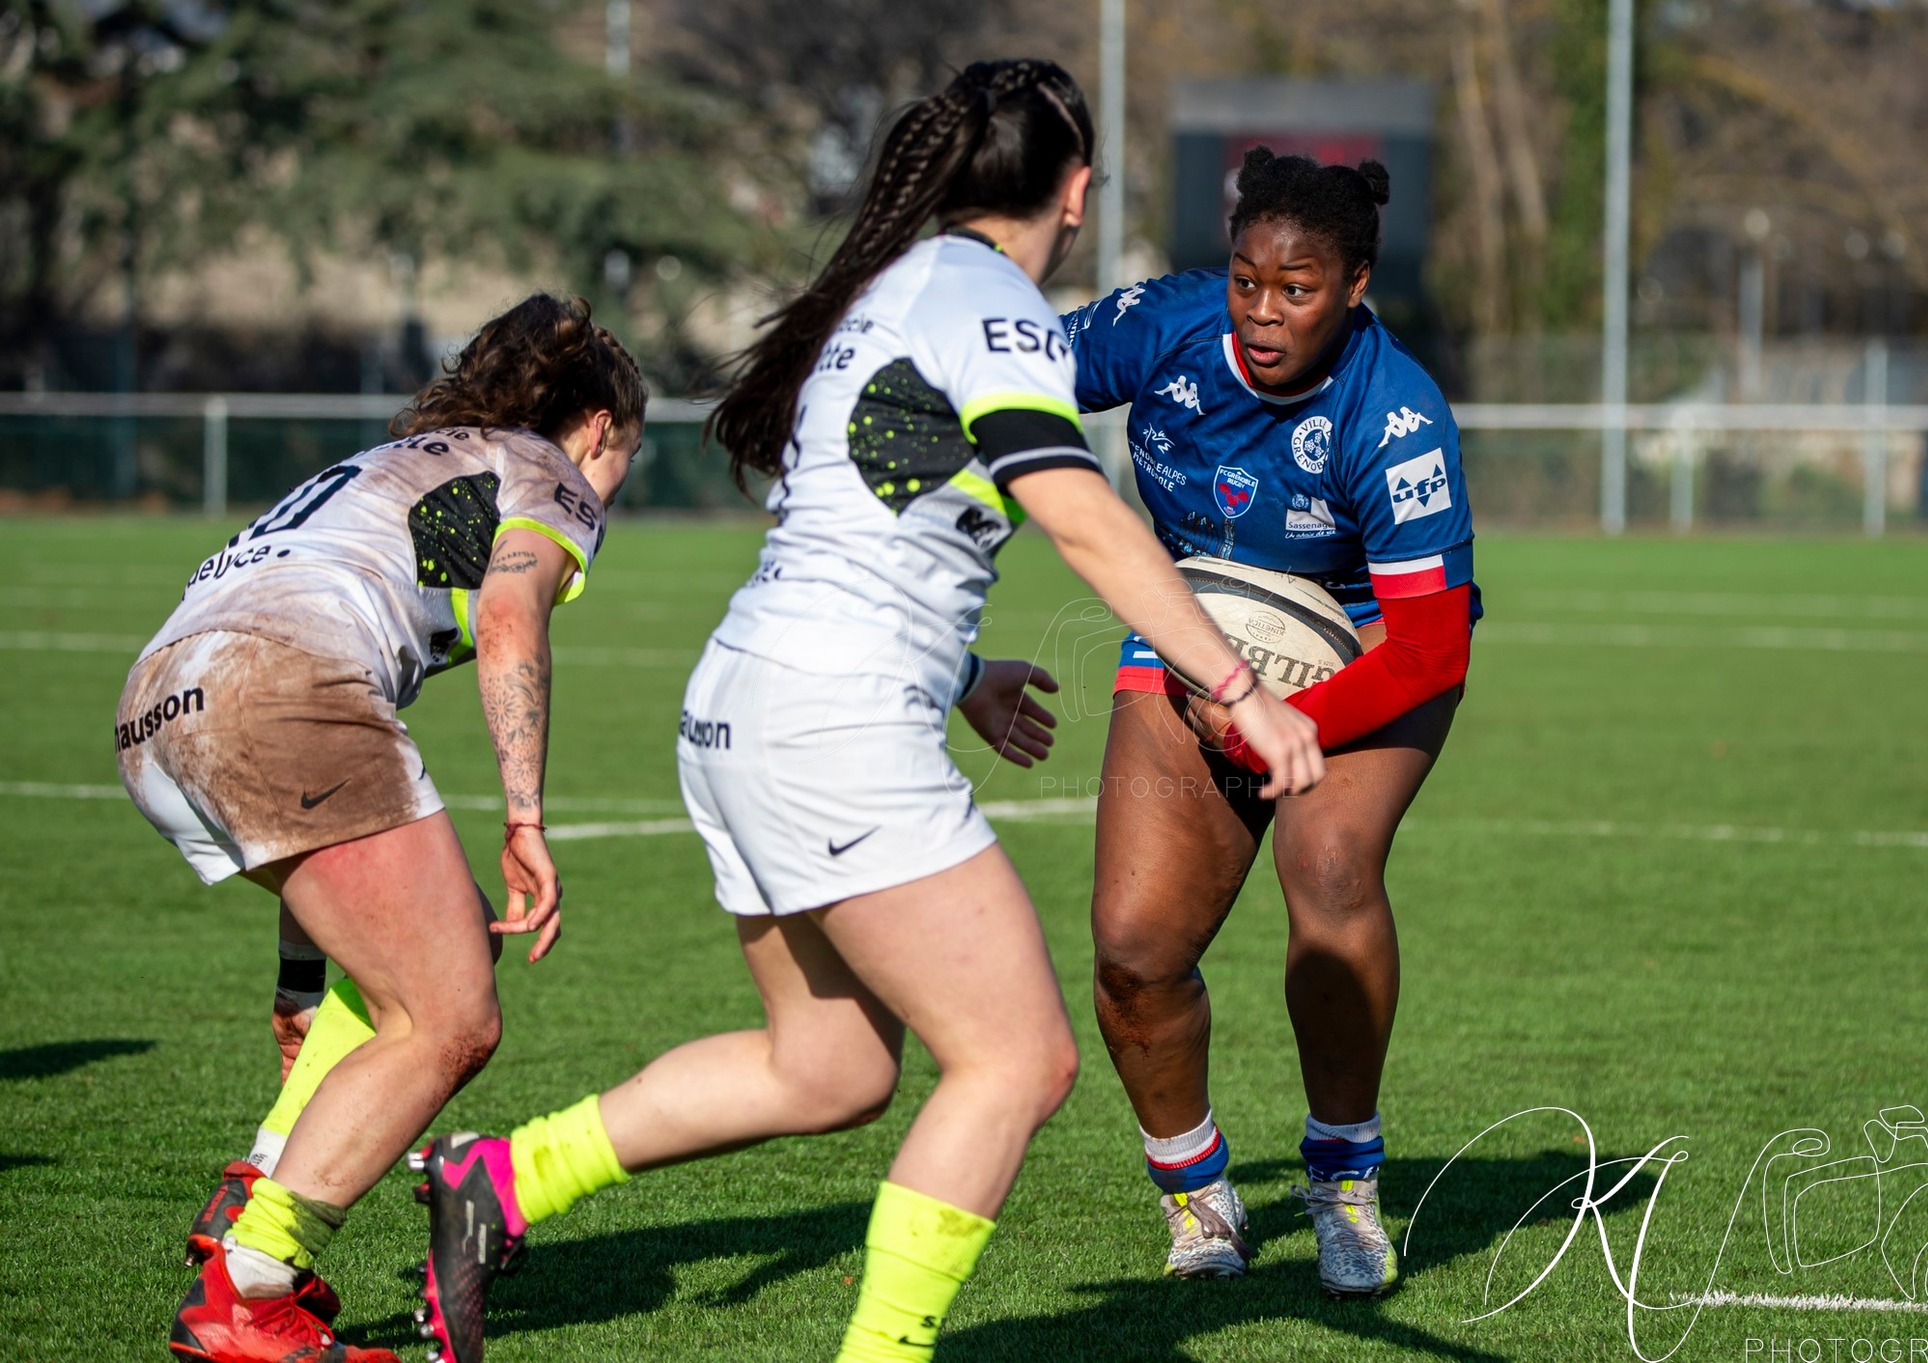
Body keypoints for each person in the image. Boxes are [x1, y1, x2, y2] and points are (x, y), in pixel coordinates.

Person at [405, 59, 1323, 1363]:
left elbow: (866, 525)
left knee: (828, 1066)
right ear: (1072, 191)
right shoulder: (992, 302)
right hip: (830, 725)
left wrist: (962, 672)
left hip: (746, 705)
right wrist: (1236, 684)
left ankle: (499, 1178)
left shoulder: (893, 291)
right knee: (1019, 1059)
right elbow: (1074, 507)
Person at [118, 292, 647, 1363]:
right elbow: (509, 617)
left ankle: (260, 1187)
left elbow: (330, 801)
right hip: (280, 691)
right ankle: (251, 1287)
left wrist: (299, 983)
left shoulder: (388, 463)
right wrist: (527, 815)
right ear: (599, 427)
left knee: (421, 953)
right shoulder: (546, 469)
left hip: (157, 703)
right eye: (626, 452)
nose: (616, 478)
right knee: (455, 1015)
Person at [1061, 148, 1479, 1295]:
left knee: (1328, 863)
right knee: (1133, 948)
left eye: (1295, 289)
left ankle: (1342, 1178)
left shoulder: (1395, 414)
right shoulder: (1167, 325)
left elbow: (1430, 649)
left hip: (1365, 653)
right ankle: (1197, 1195)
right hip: (1192, 630)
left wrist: (1267, 729)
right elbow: (1004, 384)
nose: (1260, 310)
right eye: (1246, 280)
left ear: (1354, 284)